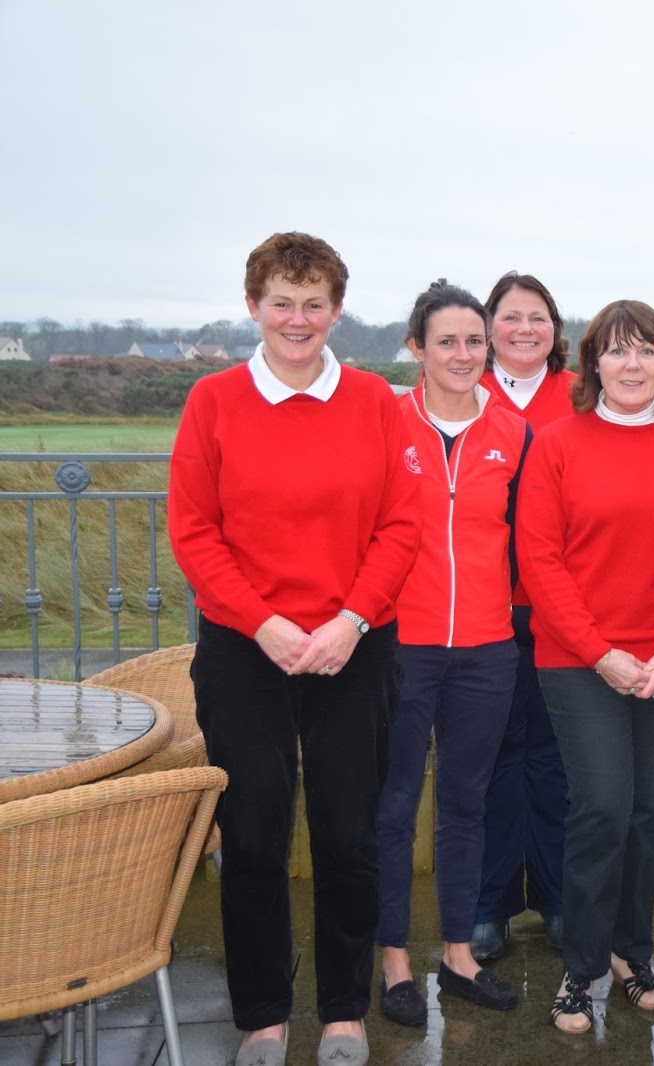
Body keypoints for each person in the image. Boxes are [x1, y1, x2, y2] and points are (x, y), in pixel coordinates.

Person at [168, 232, 421, 1066]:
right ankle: (264, 1016)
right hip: (248, 652)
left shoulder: (377, 403)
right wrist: (263, 623)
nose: (298, 318)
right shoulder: (212, 401)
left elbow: (400, 525)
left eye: (316, 303)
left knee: (349, 834)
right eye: (282, 301)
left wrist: (349, 621)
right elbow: (196, 534)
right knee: (252, 833)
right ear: (254, 306)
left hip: (353, 647)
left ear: (338, 310)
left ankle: (344, 1011)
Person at [518, 300, 654, 1034]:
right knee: (600, 805)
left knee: (643, 809)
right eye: (617, 351)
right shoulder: (558, 444)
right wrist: (600, 653)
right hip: (579, 660)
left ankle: (631, 954)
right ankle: (582, 967)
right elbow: (540, 560)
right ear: (591, 360)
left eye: (648, 350)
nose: (632, 364)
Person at [375, 281, 530, 1029]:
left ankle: (458, 956)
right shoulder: (384, 421)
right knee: (396, 804)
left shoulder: (513, 432)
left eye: (476, 341)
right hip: (403, 645)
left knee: (466, 805)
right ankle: (394, 960)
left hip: (487, 648)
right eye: (449, 342)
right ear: (418, 349)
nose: (465, 354)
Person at [471, 271, 576, 961]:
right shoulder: (462, 396)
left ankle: (562, 897)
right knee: (491, 757)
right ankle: (490, 904)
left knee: (559, 757)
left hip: (562, 606)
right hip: (481, 607)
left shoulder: (580, 397)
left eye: (538, 318)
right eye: (511, 318)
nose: (525, 330)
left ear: (556, 329)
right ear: (488, 329)